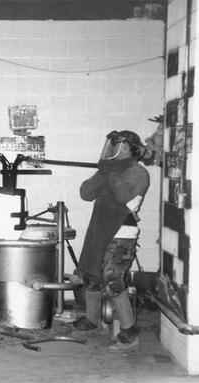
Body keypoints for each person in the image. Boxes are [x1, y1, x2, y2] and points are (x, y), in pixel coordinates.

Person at [73, 130, 150, 352]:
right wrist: (103, 173)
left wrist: (112, 173)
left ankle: (130, 334)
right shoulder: (109, 170)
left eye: (116, 145)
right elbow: (85, 193)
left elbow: (123, 195)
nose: (111, 149)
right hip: (99, 229)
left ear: (126, 147)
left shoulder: (138, 172)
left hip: (121, 233)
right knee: (92, 276)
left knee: (112, 280)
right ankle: (91, 321)